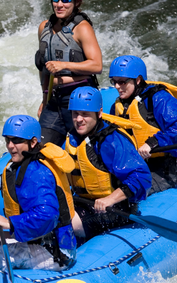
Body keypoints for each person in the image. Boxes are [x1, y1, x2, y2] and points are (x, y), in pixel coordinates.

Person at [0, 115, 77, 271]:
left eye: (17, 141)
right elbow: (23, 185)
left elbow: (48, 214)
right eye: (8, 140)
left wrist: (11, 223)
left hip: (55, 252)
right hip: (39, 241)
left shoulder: (38, 172)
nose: (10, 146)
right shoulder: (29, 161)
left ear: (33, 142)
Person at [65, 86, 152, 241]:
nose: (78, 119)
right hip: (83, 202)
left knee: (65, 224)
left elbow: (141, 177)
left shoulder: (111, 141)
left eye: (85, 114)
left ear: (99, 113)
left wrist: (110, 199)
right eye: (75, 114)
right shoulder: (73, 137)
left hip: (115, 209)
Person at [109, 55, 177, 194]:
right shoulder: (117, 107)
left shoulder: (158, 98)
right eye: (114, 82)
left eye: (122, 82)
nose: (117, 86)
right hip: (133, 167)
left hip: (163, 169)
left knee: (126, 194)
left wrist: (153, 142)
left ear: (138, 80)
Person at [36, 0, 103, 147]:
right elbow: (44, 69)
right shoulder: (44, 28)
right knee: (41, 149)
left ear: (77, 2)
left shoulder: (82, 28)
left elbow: (97, 65)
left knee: (85, 150)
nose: (59, 4)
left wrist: (63, 65)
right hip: (54, 100)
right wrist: (45, 99)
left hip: (80, 98)